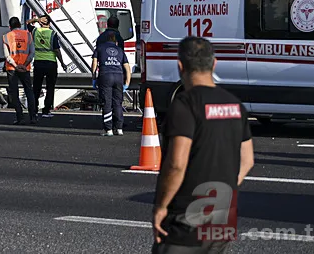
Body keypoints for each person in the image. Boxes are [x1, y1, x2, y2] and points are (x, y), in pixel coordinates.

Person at [152, 37, 255, 253]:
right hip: (222, 220)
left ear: (180, 66)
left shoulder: (185, 104)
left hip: (186, 220)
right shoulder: (235, 105)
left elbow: (176, 165)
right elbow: (247, 160)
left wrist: (161, 207)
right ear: (214, 63)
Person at [91, 31, 131, 136]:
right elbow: (127, 67)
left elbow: (94, 64)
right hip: (118, 76)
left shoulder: (99, 48)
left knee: (107, 102)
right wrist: (127, 82)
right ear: (116, 41)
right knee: (117, 103)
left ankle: (108, 130)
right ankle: (119, 128)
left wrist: (94, 78)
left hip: (105, 76)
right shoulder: (120, 50)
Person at [27, 15, 65, 117]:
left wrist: (35, 20)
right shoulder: (52, 34)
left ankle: (34, 109)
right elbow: (57, 50)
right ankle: (46, 110)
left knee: (36, 87)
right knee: (50, 87)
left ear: (41, 22)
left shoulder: (35, 31)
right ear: (50, 23)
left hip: (38, 62)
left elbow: (27, 23)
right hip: (50, 63)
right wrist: (62, 63)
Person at [3, 17, 37, 125]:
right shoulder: (27, 34)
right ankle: (33, 117)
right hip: (25, 68)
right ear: (19, 24)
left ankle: (20, 117)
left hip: (12, 69)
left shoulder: (6, 37)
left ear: (10, 26)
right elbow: (32, 53)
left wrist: (16, 66)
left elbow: (7, 56)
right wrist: (24, 64)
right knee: (29, 92)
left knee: (14, 93)